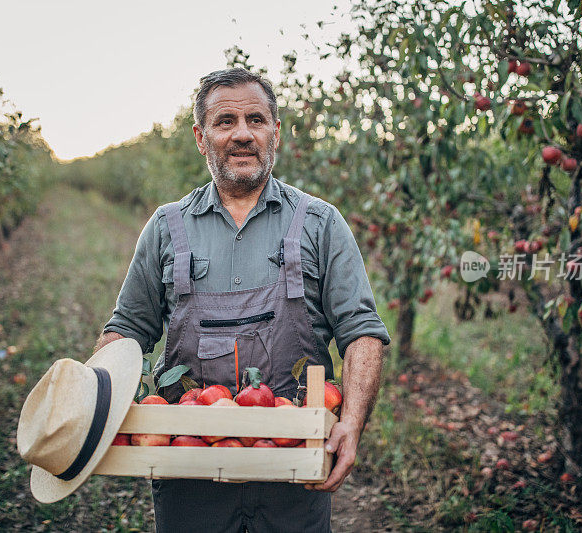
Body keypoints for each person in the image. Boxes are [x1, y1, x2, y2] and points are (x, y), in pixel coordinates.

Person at [96, 67, 390, 532]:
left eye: (256, 120)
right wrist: (94, 407)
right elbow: (127, 330)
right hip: (190, 475)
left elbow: (362, 332)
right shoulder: (167, 227)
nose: (242, 135)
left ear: (276, 131)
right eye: (225, 122)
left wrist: (352, 423)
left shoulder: (320, 223)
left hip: (294, 472)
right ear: (201, 136)